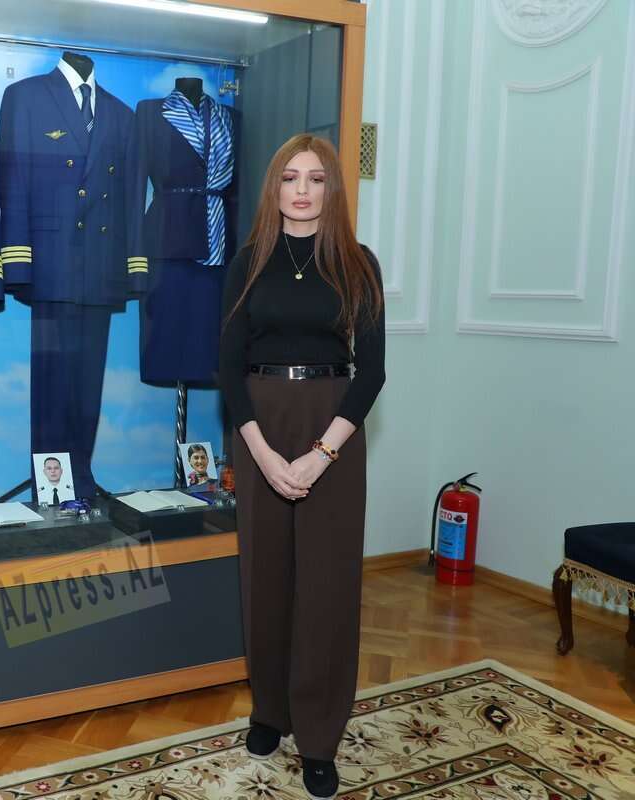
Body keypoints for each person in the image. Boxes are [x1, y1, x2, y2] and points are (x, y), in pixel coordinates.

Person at [218, 134, 385, 800]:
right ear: (275, 188)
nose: (302, 190)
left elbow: (371, 372)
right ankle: (270, 710)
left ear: (331, 189)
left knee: (326, 583)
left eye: (316, 179)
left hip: (332, 424)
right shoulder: (248, 262)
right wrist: (259, 452)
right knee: (264, 577)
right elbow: (227, 365)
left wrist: (323, 454)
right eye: (290, 177)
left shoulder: (357, 263)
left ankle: (318, 735)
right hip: (259, 422)